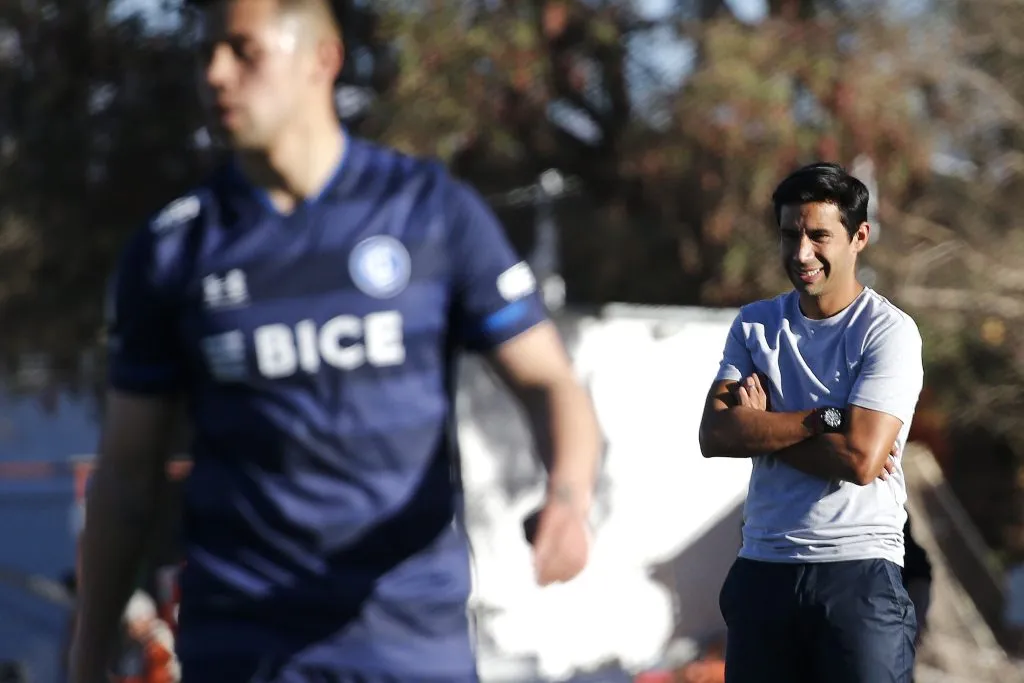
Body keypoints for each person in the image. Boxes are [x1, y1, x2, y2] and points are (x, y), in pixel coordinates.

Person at [71, 0, 602, 681]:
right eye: (205, 54)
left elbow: (549, 380)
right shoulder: (172, 248)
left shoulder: (429, 211)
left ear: (323, 59)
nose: (215, 74)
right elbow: (126, 473)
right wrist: (87, 656)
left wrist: (568, 500)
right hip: (241, 647)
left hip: (408, 643)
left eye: (244, 50)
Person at [698, 162, 924, 682]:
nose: (801, 253)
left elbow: (860, 460)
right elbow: (715, 434)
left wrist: (763, 428)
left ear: (859, 237)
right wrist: (825, 420)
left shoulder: (887, 331)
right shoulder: (755, 323)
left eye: (819, 236)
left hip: (859, 572)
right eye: (789, 235)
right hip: (763, 569)